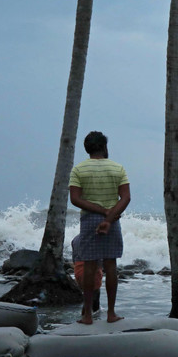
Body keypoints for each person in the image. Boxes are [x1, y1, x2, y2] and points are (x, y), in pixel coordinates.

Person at [69, 131, 131, 324]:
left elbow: (75, 199)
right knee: (111, 265)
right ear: (104, 147)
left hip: (88, 220)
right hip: (113, 220)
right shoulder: (117, 168)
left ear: (87, 149)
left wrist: (101, 212)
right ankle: (111, 314)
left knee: (89, 265)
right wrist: (109, 217)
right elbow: (126, 198)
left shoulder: (78, 169)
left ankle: (87, 315)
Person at [71, 235, 102, 315]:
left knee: (87, 294)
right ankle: (93, 316)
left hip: (78, 269)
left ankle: (87, 316)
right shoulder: (96, 238)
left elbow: (74, 259)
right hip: (91, 268)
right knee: (94, 295)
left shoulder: (75, 239)